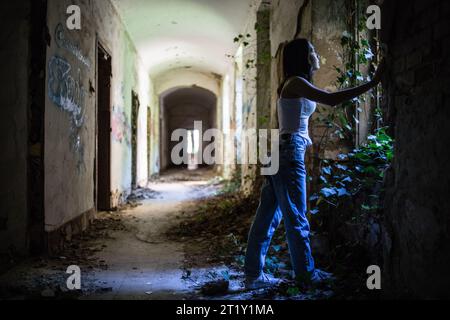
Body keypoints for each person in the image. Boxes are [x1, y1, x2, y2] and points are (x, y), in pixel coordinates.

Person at [244, 38, 385, 290]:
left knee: (268, 216)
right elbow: (330, 100)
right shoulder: (296, 83)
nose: (316, 54)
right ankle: (306, 276)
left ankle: (254, 275)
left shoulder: (292, 83)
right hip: (288, 152)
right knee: (296, 218)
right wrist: (372, 83)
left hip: (281, 150)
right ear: (303, 57)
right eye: (312, 51)